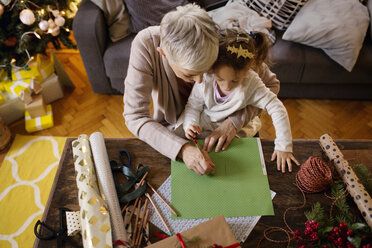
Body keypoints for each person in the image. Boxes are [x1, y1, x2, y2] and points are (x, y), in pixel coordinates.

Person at [123, 4, 280, 175]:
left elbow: (271, 85)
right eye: (190, 75)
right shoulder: (146, 45)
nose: (199, 81)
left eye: (208, 70)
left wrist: (234, 122)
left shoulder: (225, 43)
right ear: (164, 55)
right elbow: (135, 116)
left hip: (232, 132)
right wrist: (182, 149)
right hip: (175, 133)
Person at [179, 28, 299, 173]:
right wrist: (190, 124)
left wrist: (283, 146)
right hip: (206, 121)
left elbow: (277, 108)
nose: (227, 86)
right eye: (220, 79)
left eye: (235, 81)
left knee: (234, 166)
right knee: (181, 144)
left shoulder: (252, 82)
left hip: (239, 131)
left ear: (249, 69)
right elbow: (193, 105)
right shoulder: (206, 75)